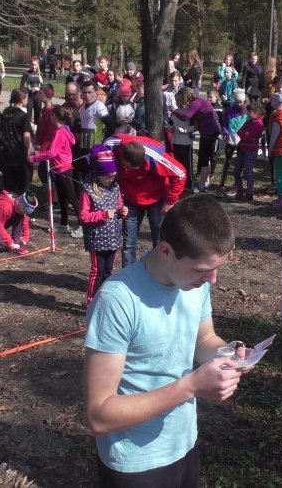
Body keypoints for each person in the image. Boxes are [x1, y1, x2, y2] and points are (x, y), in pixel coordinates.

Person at [83, 194, 246, 487]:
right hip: (136, 462)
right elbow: (99, 415)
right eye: (202, 270)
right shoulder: (117, 300)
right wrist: (191, 386)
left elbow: (203, 340)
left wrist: (229, 354)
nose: (213, 280)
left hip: (183, 443)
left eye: (217, 268)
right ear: (166, 251)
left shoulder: (194, 285)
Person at [99, 134, 186, 267]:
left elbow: (180, 173)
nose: (133, 171)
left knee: (159, 239)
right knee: (128, 242)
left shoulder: (154, 157)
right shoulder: (110, 147)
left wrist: (170, 201)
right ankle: (128, 275)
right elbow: (98, 165)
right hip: (130, 198)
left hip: (156, 197)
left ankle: (159, 272)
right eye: (130, 167)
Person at [79, 150, 128, 305]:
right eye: (107, 176)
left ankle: (105, 299)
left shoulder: (115, 188)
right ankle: (91, 302)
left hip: (113, 237)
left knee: (109, 271)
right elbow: (83, 216)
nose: (111, 179)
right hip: (96, 238)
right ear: (99, 173)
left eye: (113, 175)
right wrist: (103, 215)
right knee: (97, 271)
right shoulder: (88, 191)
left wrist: (122, 212)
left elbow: (118, 208)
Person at [28, 105, 84, 238]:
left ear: (55, 117)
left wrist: (34, 158)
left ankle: (83, 225)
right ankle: (63, 224)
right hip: (58, 168)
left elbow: (52, 153)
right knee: (62, 197)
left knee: (72, 197)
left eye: (51, 116)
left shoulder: (59, 132)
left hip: (63, 169)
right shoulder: (65, 130)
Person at [171, 87, 221, 192]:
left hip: (209, 133)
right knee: (206, 157)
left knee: (204, 158)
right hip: (209, 132)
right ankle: (205, 182)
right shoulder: (199, 101)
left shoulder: (196, 103)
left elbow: (185, 117)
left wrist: (173, 111)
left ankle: (202, 184)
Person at [0, 88, 34, 195]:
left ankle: (8, 203)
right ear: (22, 100)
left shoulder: (5, 113)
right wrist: (28, 152)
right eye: (26, 98)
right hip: (19, 154)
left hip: (7, 153)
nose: (27, 100)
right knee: (23, 184)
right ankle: (21, 204)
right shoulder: (23, 116)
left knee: (10, 184)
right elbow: (26, 136)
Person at [0, 191, 36, 256]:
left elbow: (24, 220)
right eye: (22, 211)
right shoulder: (4, 206)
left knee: (20, 216)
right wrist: (9, 242)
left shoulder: (17, 207)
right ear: (19, 204)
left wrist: (25, 237)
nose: (23, 213)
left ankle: (16, 243)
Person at [232, 102, 265, 201]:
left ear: (256, 113)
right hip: (243, 148)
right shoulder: (248, 122)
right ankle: (239, 191)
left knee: (248, 172)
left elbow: (250, 137)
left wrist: (246, 134)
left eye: (249, 112)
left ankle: (249, 193)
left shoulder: (258, 124)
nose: (247, 114)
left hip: (251, 150)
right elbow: (239, 131)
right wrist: (245, 133)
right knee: (237, 170)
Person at [20, 58, 45, 124]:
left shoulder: (40, 74)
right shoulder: (26, 73)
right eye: (32, 65)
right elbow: (21, 87)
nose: (34, 66)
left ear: (38, 65)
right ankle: (28, 128)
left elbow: (43, 86)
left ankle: (37, 129)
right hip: (29, 97)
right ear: (30, 65)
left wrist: (39, 89)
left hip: (38, 97)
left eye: (35, 65)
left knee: (37, 117)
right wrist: (29, 89)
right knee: (28, 117)